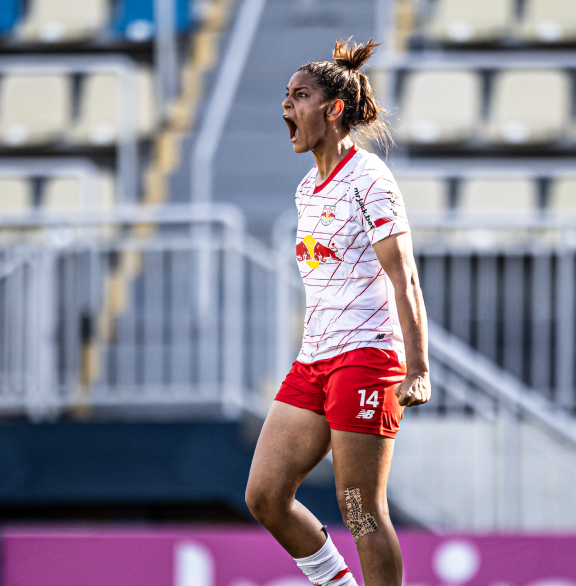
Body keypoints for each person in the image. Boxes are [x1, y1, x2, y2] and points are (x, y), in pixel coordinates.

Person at [244, 38, 430, 586]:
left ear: (333, 110)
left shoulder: (370, 179)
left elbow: (405, 277)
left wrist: (417, 366)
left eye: (298, 96)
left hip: (366, 358)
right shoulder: (308, 188)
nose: (286, 107)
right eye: (285, 96)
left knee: (360, 508)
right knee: (265, 496)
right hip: (316, 359)